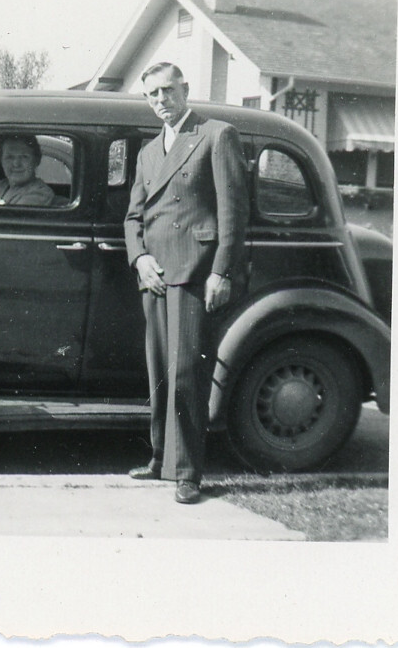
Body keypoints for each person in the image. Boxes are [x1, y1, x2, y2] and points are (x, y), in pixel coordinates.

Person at [123, 62, 248, 504]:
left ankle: (188, 471)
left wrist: (221, 271)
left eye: (168, 90)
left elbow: (233, 213)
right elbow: (133, 217)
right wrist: (139, 259)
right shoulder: (147, 152)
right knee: (160, 370)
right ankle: (161, 460)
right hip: (155, 275)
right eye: (153, 94)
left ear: (185, 89)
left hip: (195, 271)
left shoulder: (216, 135)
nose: (161, 100)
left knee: (187, 375)